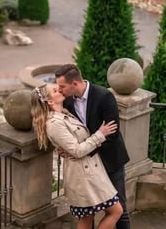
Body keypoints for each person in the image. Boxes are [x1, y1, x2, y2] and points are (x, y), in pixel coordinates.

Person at [31, 83, 123, 229]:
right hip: (82, 175)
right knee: (106, 213)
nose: (60, 89)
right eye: (55, 90)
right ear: (49, 101)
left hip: (89, 171)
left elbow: (72, 145)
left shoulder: (65, 112)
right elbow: (77, 150)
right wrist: (101, 134)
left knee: (96, 215)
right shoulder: (54, 124)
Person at [55, 64, 131, 229]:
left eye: (62, 86)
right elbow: (66, 130)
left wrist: (83, 151)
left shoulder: (104, 96)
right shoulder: (66, 102)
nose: (59, 90)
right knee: (89, 211)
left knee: (120, 208)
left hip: (110, 161)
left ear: (75, 83)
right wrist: (65, 148)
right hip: (87, 167)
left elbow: (112, 133)